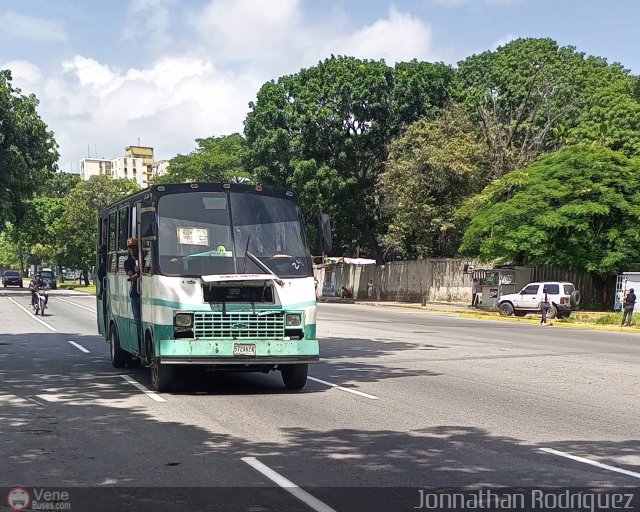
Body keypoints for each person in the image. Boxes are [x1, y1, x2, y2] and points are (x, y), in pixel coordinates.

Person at [125, 237, 142, 343]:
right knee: (138, 320)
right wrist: (138, 273)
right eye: (130, 247)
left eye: (134, 247)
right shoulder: (128, 262)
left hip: (147, 293)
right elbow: (131, 277)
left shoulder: (144, 258)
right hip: (136, 294)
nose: (132, 250)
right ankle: (140, 342)